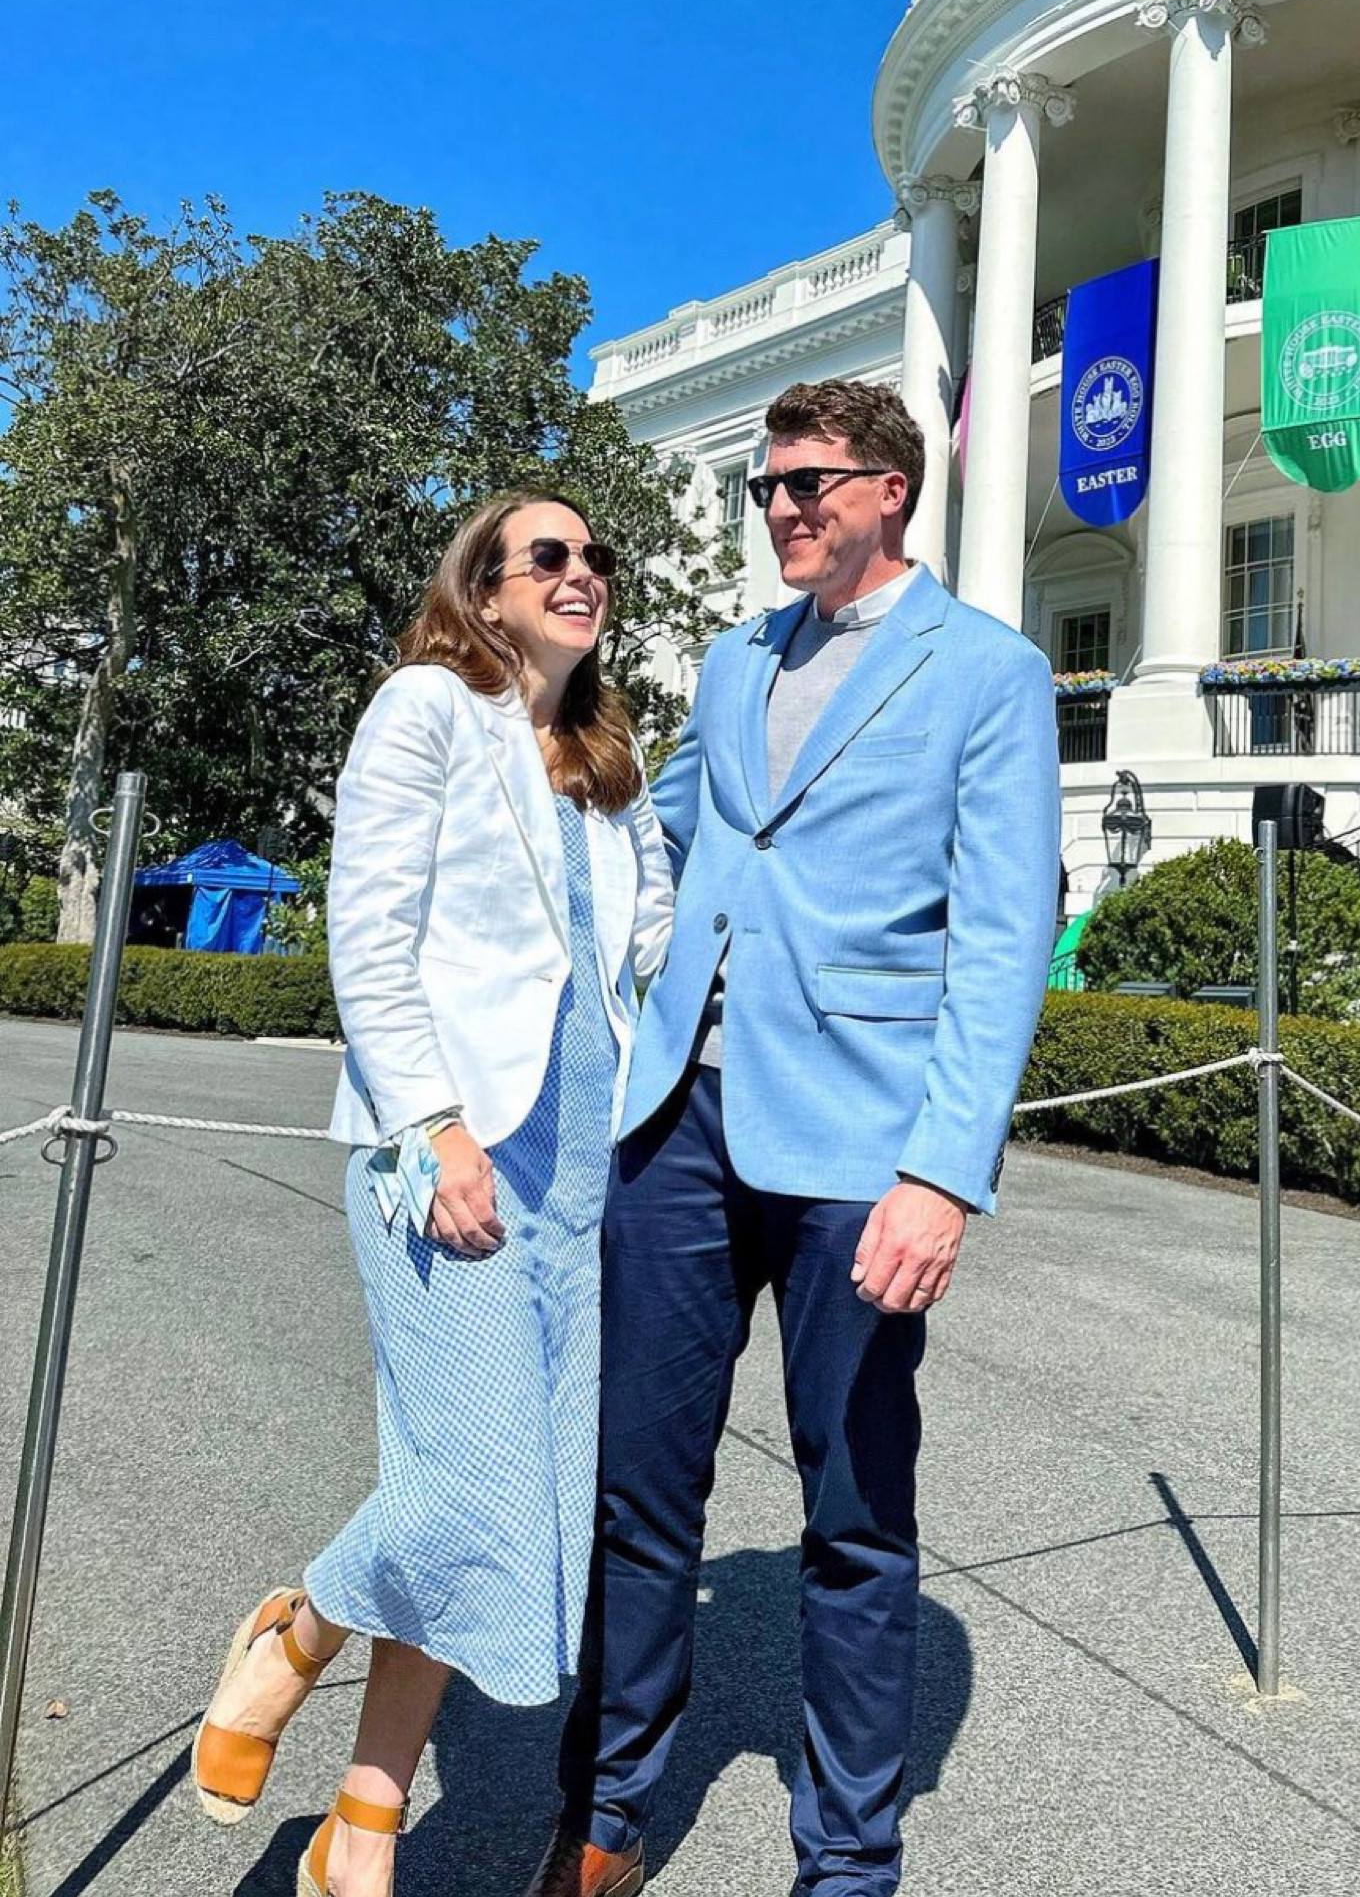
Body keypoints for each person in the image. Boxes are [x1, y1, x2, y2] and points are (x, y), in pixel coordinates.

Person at [536, 382, 1061, 1897]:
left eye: (810, 483)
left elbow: (1003, 939)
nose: (780, 508)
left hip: (861, 1154)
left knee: (853, 1515)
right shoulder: (728, 657)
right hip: (680, 1126)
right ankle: (604, 1820)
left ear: (891, 489)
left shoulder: (990, 673)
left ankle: (847, 1859)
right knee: (640, 1495)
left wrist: (942, 1176)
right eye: (769, 487)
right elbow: (664, 832)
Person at [190, 492, 672, 1897]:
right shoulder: (425, 709)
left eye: (595, 559)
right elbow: (371, 933)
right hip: (453, 1154)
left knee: (492, 1500)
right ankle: (297, 1637)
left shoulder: (607, 761)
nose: (582, 574)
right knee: (479, 1488)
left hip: (583, 1180)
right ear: (487, 585)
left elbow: (649, 952)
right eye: (551, 557)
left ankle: (366, 1819)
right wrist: (435, 1127)